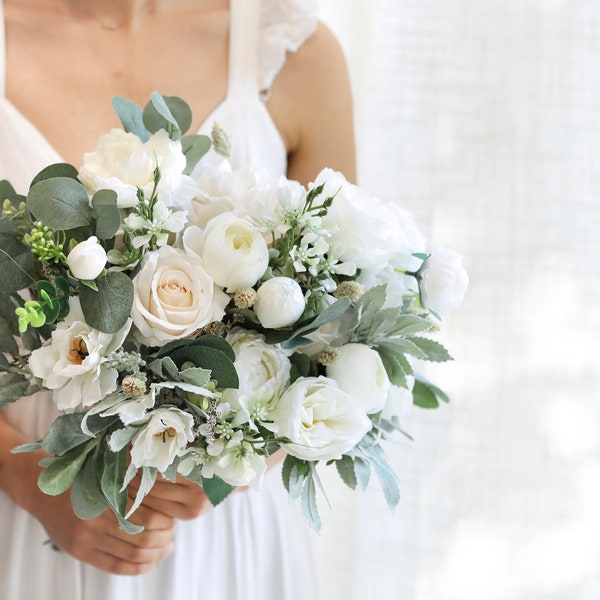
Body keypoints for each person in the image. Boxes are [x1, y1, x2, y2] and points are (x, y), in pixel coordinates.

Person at [0, 0, 356, 598]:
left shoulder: (290, 51)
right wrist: (21, 474)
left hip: (222, 533)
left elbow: (339, 319)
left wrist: (238, 462)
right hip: (32, 510)